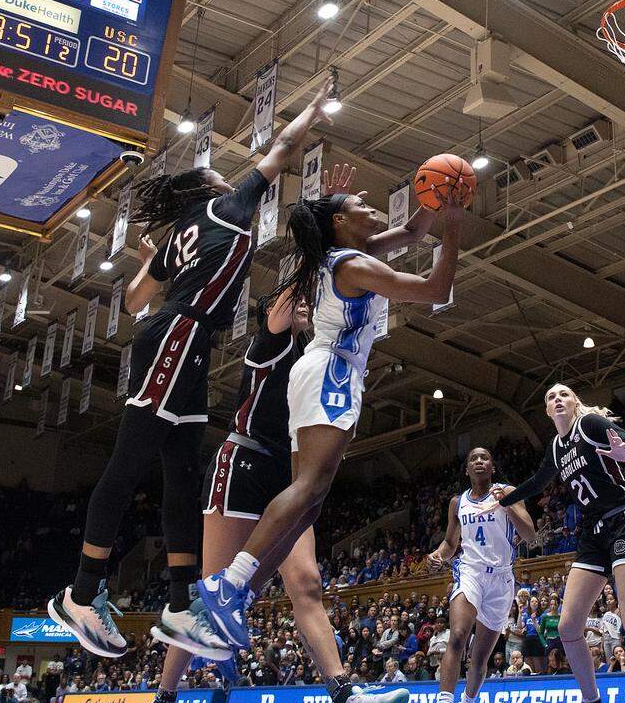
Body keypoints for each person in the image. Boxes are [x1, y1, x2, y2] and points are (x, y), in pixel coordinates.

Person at [48, 79, 337, 659]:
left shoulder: (176, 236)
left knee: (181, 472)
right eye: (221, 177)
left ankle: (181, 605)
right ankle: (81, 592)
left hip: (183, 338)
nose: (232, 180)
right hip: (181, 336)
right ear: (206, 191)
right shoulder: (226, 208)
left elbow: (132, 300)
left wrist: (170, 269)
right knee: (130, 460)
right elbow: (281, 148)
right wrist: (311, 107)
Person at [191, 164, 466, 665]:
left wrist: (433, 199)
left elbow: (408, 232)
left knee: (310, 505)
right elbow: (436, 289)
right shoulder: (350, 266)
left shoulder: (343, 256)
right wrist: (454, 223)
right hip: (332, 373)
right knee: (308, 489)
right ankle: (229, 586)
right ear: (339, 224)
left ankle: (239, 593)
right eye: (357, 206)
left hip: (318, 373)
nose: (368, 204)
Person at [138, 268, 415, 703]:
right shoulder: (273, 343)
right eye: (300, 302)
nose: (307, 308)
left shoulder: (326, 357)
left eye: (313, 302)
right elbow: (288, 298)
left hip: (289, 477)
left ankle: (345, 699)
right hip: (241, 464)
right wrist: (317, 231)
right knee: (208, 596)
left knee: (306, 583)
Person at [477, 383, 625, 703]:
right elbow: (538, 482)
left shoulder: (589, 424)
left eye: (564, 395)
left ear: (574, 403)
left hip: (623, 519)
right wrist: (502, 498)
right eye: (550, 397)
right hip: (592, 532)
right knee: (568, 627)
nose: (557, 399)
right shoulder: (557, 448)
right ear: (546, 410)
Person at [425, 446, 535, 703]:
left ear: (492, 467)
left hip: (501, 579)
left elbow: (530, 535)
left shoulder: (509, 492)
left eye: (484, 457)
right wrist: (438, 556)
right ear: (467, 470)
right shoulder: (457, 502)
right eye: (473, 458)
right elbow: (450, 543)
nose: (478, 461)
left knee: (479, 659)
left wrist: (508, 504)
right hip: (470, 571)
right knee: (457, 636)